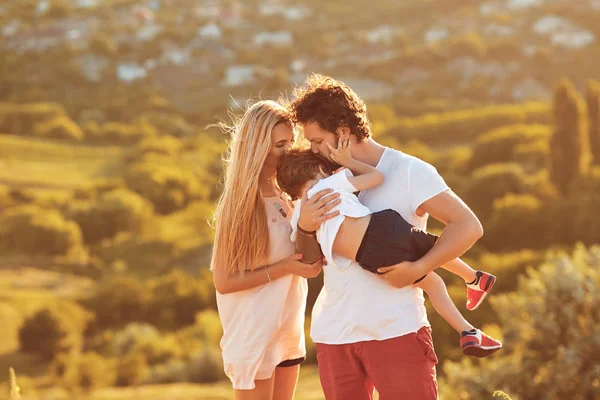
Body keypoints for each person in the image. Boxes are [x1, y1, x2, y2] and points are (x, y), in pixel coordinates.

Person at [288, 74, 488, 399]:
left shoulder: (410, 172)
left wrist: (418, 267)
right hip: (335, 335)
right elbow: (309, 261)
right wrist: (305, 227)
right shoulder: (318, 180)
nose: (311, 149)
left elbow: (468, 226)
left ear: (342, 131)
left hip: (397, 331)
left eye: (315, 140)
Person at [276, 144, 502, 357]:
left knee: (432, 283)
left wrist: (307, 227)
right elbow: (376, 177)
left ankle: (468, 330)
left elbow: (303, 247)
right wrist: (349, 161)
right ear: (318, 170)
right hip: (381, 229)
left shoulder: (299, 215)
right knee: (432, 247)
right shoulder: (329, 184)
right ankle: (473, 281)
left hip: (370, 259)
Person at [210, 100, 337, 400]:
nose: (289, 152)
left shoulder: (287, 196)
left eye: (290, 142)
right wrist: (287, 268)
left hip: (286, 329)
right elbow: (224, 282)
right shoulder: (241, 203)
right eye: (280, 144)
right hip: (254, 334)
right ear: (257, 147)